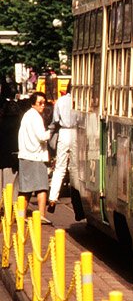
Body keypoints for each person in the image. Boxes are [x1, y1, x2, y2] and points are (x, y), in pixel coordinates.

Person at [17, 91, 51, 223]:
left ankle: (21, 215)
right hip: (36, 156)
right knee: (42, 188)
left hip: (25, 155)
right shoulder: (35, 117)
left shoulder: (27, 116)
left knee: (25, 189)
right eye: (40, 103)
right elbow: (42, 137)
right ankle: (41, 216)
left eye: (44, 103)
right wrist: (52, 131)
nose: (43, 106)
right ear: (33, 104)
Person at [48, 81, 73, 213]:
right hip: (77, 133)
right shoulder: (81, 100)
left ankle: (52, 199)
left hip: (64, 133)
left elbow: (55, 120)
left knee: (60, 168)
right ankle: (75, 197)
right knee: (76, 169)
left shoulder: (61, 101)